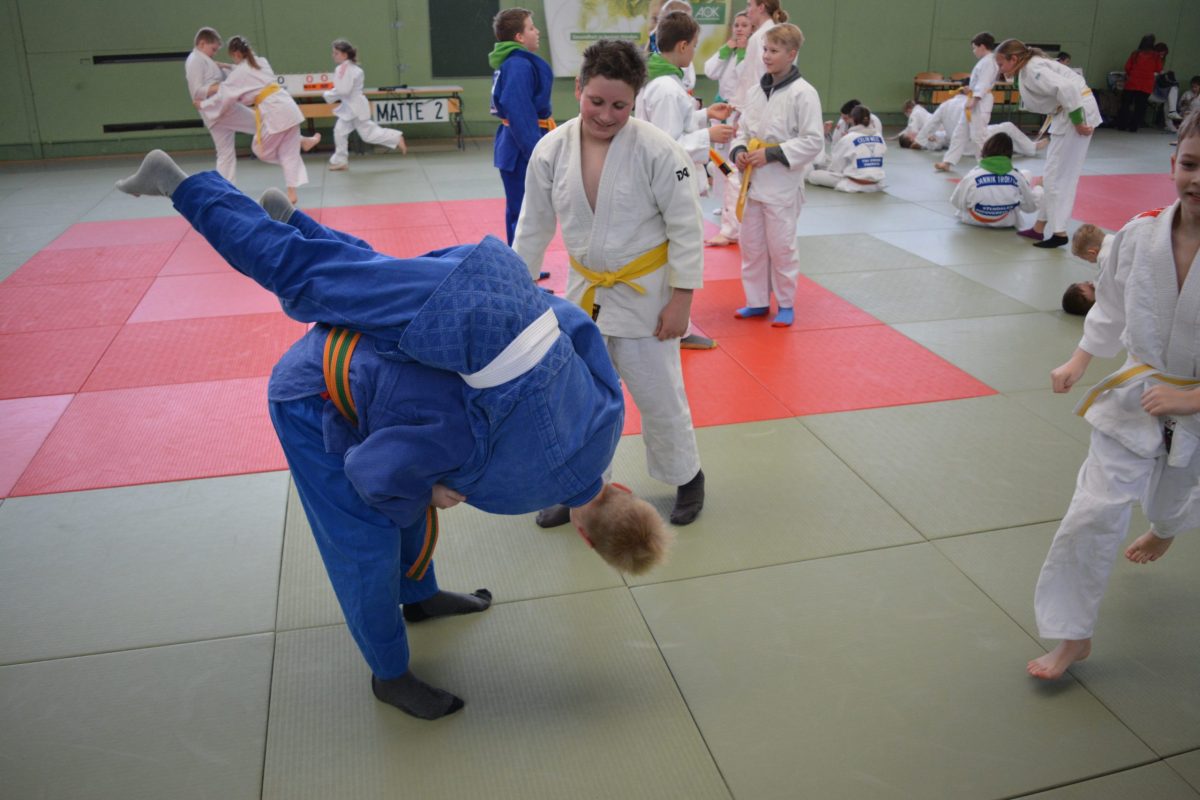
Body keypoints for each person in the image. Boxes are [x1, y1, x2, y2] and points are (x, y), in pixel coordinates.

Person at [113, 149, 672, 719]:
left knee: (365, 278)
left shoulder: (609, 420)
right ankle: (389, 673)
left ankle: (420, 596)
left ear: (626, 491)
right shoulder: (511, 489)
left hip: (494, 281)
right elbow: (377, 469)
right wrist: (428, 489)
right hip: (323, 390)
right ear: (586, 541)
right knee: (367, 532)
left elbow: (572, 325)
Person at [1027, 108, 1200, 681]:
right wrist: (1081, 358)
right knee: (1092, 512)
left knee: (1174, 497)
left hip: (1194, 404)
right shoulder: (1140, 234)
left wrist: (1193, 401)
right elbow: (1112, 303)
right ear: (1173, 163)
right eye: (1190, 164)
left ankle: (1165, 528)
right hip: (1136, 392)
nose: (1197, 180)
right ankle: (1073, 634)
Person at [514, 39, 708, 527]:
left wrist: (682, 300)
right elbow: (532, 225)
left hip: (649, 296)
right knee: (577, 400)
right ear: (578, 89)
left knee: (659, 394)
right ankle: (581, 487)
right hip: (584, 296)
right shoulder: (551, 150)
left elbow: (687, 227)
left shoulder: (658, 150)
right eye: (596, 101)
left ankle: (687, 477)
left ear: (635, 100)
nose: (605, 115)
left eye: (619, 105)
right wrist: (518, 291)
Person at [729, 23, 823, 327]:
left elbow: (813, 141)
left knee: (781, 247)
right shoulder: (756, 91)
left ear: (791, 54)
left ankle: (785, 303)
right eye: (765, 50)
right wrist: (739, 151)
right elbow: (743, 131)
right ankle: (756, 301)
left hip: (782, 184)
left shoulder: (804, 93)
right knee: (752, 245)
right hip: (752, 181)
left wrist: (771, 154)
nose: (766, 56)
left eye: (774, 51)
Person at [995, 39, 1100, 248]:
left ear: (1013, 59)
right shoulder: (1027, 68)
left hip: (1075, 112)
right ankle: (1039, 228)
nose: (1000, 69)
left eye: (1001, 64)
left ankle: (1059, 232)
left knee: (1057, 177)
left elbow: (1068, 88)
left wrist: (1078, 122)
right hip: (1070, 111)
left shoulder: (1033, 69)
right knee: (1054, 174)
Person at [199, 36, 320, 204]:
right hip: (289, 107)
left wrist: (204, 105)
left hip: (275, 112)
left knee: (260, 149)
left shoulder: (241, 73)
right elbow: (245, 71)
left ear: (236, 54)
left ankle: (302, 142)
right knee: (289, 153)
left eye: (232, 57)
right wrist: (226, 66)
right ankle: (292, 191)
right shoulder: (261, 61)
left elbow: (225, 94)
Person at [490, 8, 555, 251]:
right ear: (519, 37)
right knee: (525, 213)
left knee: (522, 211)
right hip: (521, 147)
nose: (537, 32)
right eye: (531, 27)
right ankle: (521, 267)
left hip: (515, 143)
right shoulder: (518, 65)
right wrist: (536, 152)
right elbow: (518, 110)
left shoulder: (512, 62)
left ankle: (522, 264)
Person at [703, 9, 751, 247]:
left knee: (733, 167)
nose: (739, 29)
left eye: (744, 25)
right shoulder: (728, 51)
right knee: (720, 163)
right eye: (736, 25)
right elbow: (710, 71)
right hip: (721, 112)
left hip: (738, 114)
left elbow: (744, 78)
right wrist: (728, 48)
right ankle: (725, 206)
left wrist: (742, 51)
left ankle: (735, 215)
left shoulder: (752, 54)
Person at [185, 27, 256, 182]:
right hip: (219, 109)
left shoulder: (204, 59)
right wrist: (225, 86)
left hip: (216, 112)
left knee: (225, 154)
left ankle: (225, 190)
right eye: (213, 49)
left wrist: (224, 69)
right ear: (202, 44)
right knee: (260, 122)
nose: (214, 53)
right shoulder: (195, 60)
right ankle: (299, 140)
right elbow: (197, 92)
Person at [324, 39, 407, 171]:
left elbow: (343, 90)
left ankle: (396, 137)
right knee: (340, 132)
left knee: (367, 135)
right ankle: (341, 161)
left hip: (354, 108)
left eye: (336, 53)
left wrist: (328, 94)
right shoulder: (351, 69)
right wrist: (331, 94)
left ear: (344, 55)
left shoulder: (344, 69)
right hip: (353, 106)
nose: (333, 55)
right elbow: (343, 89)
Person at [935, 32, 999, 172]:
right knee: (959, 132)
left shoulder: (989, 62)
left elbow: (984, 83)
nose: (973, 51)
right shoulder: (985, 61)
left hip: (980, 102)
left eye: (974, 48)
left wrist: (975, 99)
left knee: (978, 135)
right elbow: (979, 83)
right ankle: (948, 162)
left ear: (982, 46)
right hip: (973, 99)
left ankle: (986, 165)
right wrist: (970, 89)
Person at [948, 132, 1041, 227]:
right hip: (1005, 221)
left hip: (972, 219)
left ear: (985, 150)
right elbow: (1030, 208)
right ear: (1010, 153)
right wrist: (1038, 188)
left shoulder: (972, 174)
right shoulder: (1017, 176)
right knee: (1027, 174)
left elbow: (956, 202)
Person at [807, 104, 886, 193]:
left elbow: (836, 168)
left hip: (854, 183)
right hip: (876, 183)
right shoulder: (879, 137)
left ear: (852, 119)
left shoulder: (849, 137)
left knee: (813, 175)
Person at [730, 0, 788, 113]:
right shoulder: (774, 33)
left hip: (760, 107)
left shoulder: (761, 37)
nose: (747, 10)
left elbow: (759, 77)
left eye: (749, 5)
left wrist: (747, 111)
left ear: (761, 7)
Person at [1115, 34, 1163, 132]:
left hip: (1132, 82)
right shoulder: (1156, 56)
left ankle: (1122, 125)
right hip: (1146, 84)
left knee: (1126, 104)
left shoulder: (1135, 54)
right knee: (1140, 107)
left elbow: (1127, 67)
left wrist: (1132, 74)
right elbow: (1158, 69)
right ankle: (1133, 127)